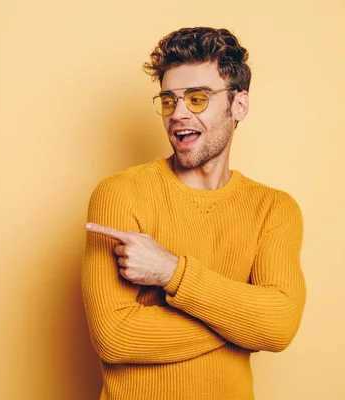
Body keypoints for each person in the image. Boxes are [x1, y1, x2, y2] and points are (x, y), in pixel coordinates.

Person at [81, 27, 306, 400]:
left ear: (240, 105)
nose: (178, 114)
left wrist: (170, 271)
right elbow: (115, 336)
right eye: (169, 101)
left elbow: (280, 326)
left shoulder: (274, 209)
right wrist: (242, 319)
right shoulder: (122, 193)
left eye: (197, 98)